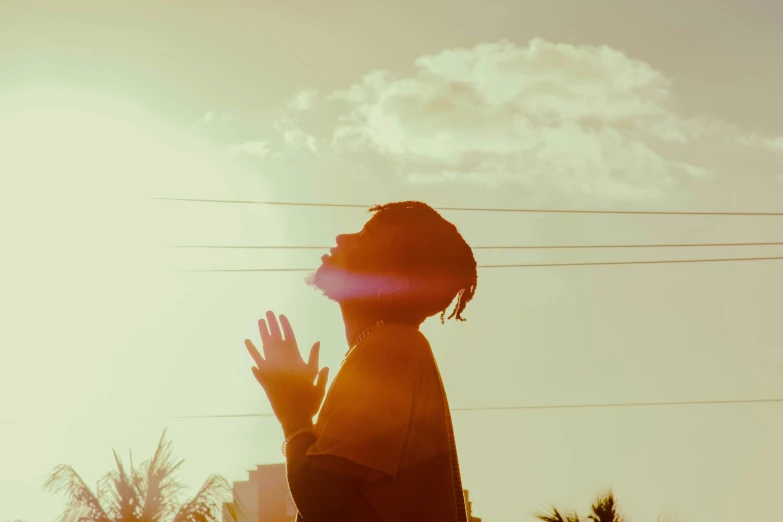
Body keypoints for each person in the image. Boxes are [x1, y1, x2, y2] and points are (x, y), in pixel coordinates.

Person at [244, 201, 478, 521]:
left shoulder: (388, 353)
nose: (342, 237)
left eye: (365, 237)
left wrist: (293, 415)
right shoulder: (388, 348)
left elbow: (320, 499)